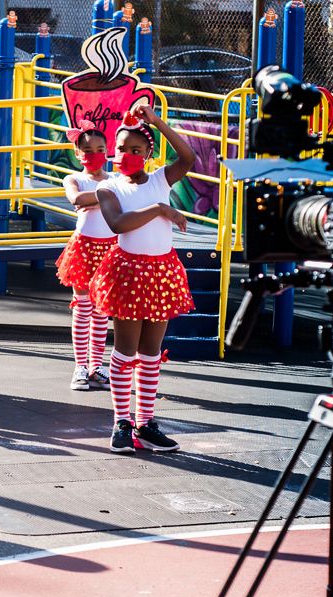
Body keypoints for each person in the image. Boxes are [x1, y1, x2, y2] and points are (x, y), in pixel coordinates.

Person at [92, 106, 196, 454]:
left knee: (151, 353)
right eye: (121, 148)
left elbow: (188, 157)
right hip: (128, 273)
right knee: (125, 350)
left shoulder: (159, 179)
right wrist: (160, 209)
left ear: (149, 153)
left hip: (162, 272)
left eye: (136, 150)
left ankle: (146, 424)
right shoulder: (108, 187)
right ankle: (121, 422)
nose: (127, 155)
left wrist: (157, 122)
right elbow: (118, 224)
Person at [55, 120, 114, 391]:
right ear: (78, 153)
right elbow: (76, 199)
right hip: (84, 248)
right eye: (88, 151)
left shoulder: (114, 180)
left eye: (100, 150)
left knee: (101, 310)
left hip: (111, 248)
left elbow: (126, 198)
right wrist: (107, 196)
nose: (95, 155)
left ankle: (96, 366)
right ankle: (80, 366)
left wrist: (97, 197)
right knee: (82, 307)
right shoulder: (74, 179)